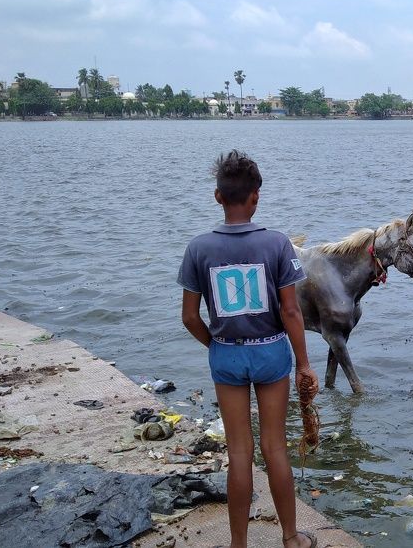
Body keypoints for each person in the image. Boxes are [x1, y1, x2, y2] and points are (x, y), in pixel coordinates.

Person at [177, 150, 318, 548]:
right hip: (271, 351)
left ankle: (238, 543)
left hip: (226, 353)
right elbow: (290, 311)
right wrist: (304, 364)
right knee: (275, 448)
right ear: (256, 196)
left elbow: (189, 317)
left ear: (217, 197)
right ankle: (291, 538)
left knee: (239, 453)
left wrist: (217, 346)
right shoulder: (277, 243)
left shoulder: (198, 248)